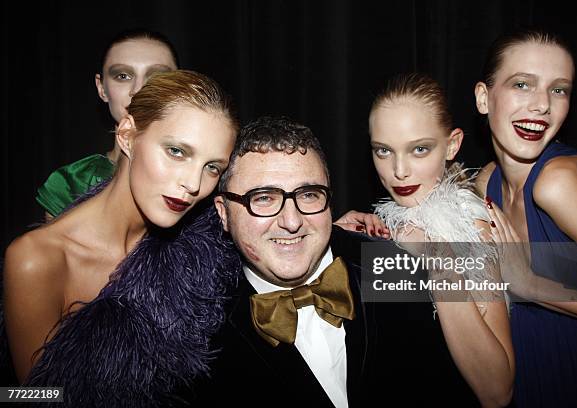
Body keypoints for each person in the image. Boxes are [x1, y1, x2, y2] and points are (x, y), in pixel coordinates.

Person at [3, 70, 241, 406]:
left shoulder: (202, 244)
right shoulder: (37, 259)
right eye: (176, 151)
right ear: (127, 134)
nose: (193, 183)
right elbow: (28, 397)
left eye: (212, 167)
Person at [473, 28, 577, 406]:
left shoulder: (557, 181)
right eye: (522, 84)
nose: (542, 106)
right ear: (484, 98)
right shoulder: (488, 182)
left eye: (559, 89)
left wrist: (531, 284)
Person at [204, 116, 383, 408]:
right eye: (262, 198)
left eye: (309, 194)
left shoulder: (385, 262)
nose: (291, 221)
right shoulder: (198, 330)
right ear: (223, 213)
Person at [369, 72, 514, 407]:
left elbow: (497, 390)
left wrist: (438, 259)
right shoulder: (394, 216)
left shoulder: (469, 225)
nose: (399, 170)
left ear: (452, 145)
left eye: (419, 149)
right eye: (383, 151)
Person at [35, 29, 179, 219]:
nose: (138, 90)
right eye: (123, 76)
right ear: (101, 88)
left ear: (181, 86)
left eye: (157, 77)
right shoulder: (71, 184)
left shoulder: (203, 179)